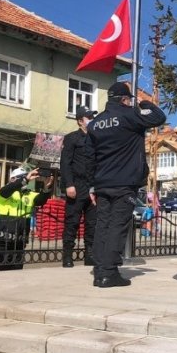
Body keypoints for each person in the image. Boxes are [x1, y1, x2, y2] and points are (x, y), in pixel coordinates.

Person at [86, 82, 166, 288]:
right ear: (124, 99)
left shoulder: (95, 123)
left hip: (102, 183)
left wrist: (92, 186)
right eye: (128, 99)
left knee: (103, 225)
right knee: (117, 226)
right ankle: (109, 273)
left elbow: (90, 157)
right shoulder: (129, 115)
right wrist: (144, 102)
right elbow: (159, 117)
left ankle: (99, 270)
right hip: (125, 182)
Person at [0, 167, 53, 271]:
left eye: (26, 176)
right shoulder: (4, 192)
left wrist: (47, 188)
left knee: (17, 273)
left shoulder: (29, 194)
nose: (25, 179)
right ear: (12, 179)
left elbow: (41, 200)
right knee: (0, 273)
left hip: (20, 241)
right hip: (2, 240)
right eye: (21, 177)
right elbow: (8, 189)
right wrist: (25, 179)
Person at [60, 105, 97, 268]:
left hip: (93, 187)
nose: (92, 120)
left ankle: (89, 255)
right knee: (72, 222)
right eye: (89, 118)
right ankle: (67, 255)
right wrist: (69, 184)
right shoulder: (71, 138)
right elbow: (65, 164)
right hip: (76, 184)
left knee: (92, 223)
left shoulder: (97, 138)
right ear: (80, 121)